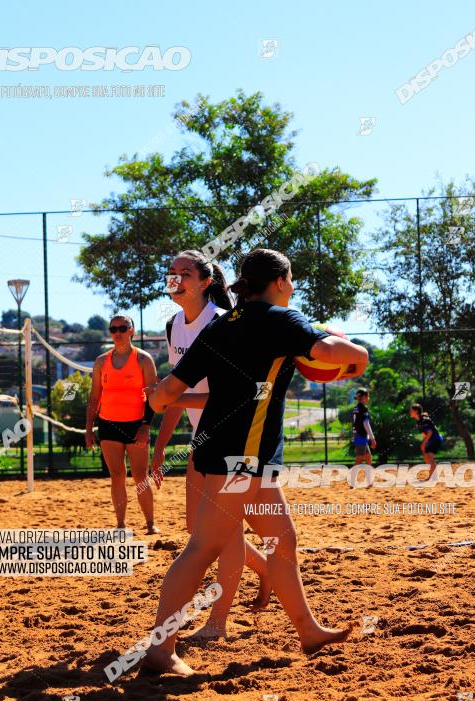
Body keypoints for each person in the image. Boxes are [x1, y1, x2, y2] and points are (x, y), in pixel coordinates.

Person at [145, 248, 369, 674]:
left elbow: (164, 395)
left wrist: (151, 396)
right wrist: (360, 356)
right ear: (281, 281)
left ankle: (308, 630)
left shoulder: (220, 326)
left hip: (230, 455)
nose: (293, 287)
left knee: (283, 540)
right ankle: (160, 650)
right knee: (202, 548)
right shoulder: (280, 320)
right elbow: (335, 353)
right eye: (292, 280)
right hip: (241, 460)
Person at [151, 250, 270, 639]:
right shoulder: (174, 326)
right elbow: (177, 387)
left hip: (234, 436)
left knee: (225, 532)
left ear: (205, 282)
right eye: (171, 273)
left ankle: (217, 623)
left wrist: (170, 398)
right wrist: (159, 446)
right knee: (198, 529)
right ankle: (266, 567)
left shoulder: (222, 324)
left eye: (185, 273)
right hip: (203, 438)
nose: (176, 278)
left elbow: (229, 397)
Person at [86, 315, 159, 533]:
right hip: (108, 425)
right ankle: (120, 525)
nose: (117, 332)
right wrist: (88, 428)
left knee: (140, 477)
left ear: (131, 332)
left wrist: (146, 426)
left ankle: (150, 523)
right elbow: (94, 397)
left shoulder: (144, 360)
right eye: (113, 329)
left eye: (122, 328)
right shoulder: (101, 362)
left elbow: (153, 396)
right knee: (117, 476)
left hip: (136, 425)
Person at [409, 403, 443, 482]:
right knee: (427, 458)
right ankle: (434, 475)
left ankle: (433, 477)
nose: (410, 412)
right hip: (430, 440)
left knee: (430, 458)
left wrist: (424, 443)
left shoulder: (424, 420)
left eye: (411, 410)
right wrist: (423, 444)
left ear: (416, 411)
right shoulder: (419, 421)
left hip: (435, 439)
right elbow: (425, 433)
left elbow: (430, 432)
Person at [351, 388, 376, 485]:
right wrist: (372, 438)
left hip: (358, 435)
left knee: (368, 457)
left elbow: (357, 423)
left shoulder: (356, 407)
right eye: (367, 395)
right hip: (360, 435)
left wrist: (368, 438)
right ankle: (352, 479)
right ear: (364, 397)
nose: (368, 397)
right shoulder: (363, 408)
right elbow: (366, 424)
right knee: (359, 458)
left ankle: (369, 480)